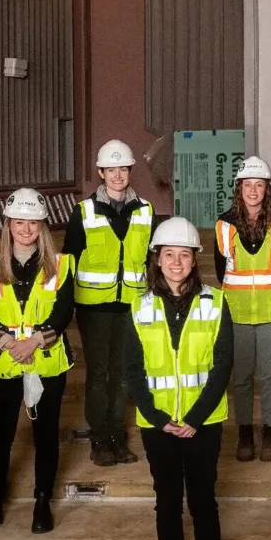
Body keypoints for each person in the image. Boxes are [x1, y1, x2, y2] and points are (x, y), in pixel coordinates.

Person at [124, 217, 235, 540]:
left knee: (203, 500)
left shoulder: (216, 302)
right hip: (158, 424)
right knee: (167, 501)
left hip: (202, 422)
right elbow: (133, 369)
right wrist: (156, 416)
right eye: (168, 254)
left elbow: (223, 364)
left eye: (183, 255)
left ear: (194, 260)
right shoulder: (140, 306)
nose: (175, 262)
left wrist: (195, 416)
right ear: (156, 259)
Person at [0, 188, 75, 536]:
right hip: (4, 364)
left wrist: (32, 341)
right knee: (0, 436)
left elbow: (63, 311)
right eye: (19, 222)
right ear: (9, 225)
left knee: (45, 436)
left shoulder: (60, 265)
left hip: (45, 362)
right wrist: (8, 343)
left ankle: (42, 501)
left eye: (32, 223)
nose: (26, 229)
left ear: (42, 226)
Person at [64, 139, 154, 467]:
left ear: (130, 171)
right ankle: (99, 439)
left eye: (123, 169)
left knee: (123, 374)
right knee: (99, 374)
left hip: (131, 305)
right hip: (94, 308)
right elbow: (69, 261)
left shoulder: (145, 211)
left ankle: (118, 437)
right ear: (100, 173)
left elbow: (151, 261)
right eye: (111, 169)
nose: (117, 175)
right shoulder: (84, 212)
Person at [214, 156, 271, 463]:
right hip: (237, 315)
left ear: (267, 189)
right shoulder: (224, 226)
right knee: (240, 378)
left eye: (259, 185)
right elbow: (221, 273)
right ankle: (245, 433)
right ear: (239, 188)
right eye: (247, 185)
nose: (253, 191)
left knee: (268, 376)